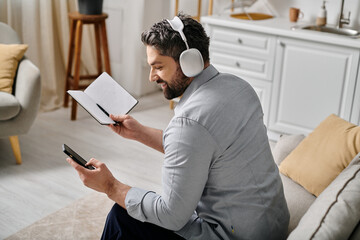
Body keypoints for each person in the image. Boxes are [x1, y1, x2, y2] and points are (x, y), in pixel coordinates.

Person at [66, 13, 290, 240]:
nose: (152, 77)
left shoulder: (189, 123)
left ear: (188, 62)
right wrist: (140, 133)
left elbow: (172, 216)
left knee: (122, 215)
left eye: (159, 67)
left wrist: (110, 186)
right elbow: (200, 148)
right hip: (273, 225)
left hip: (232, 235)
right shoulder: (240, 88)